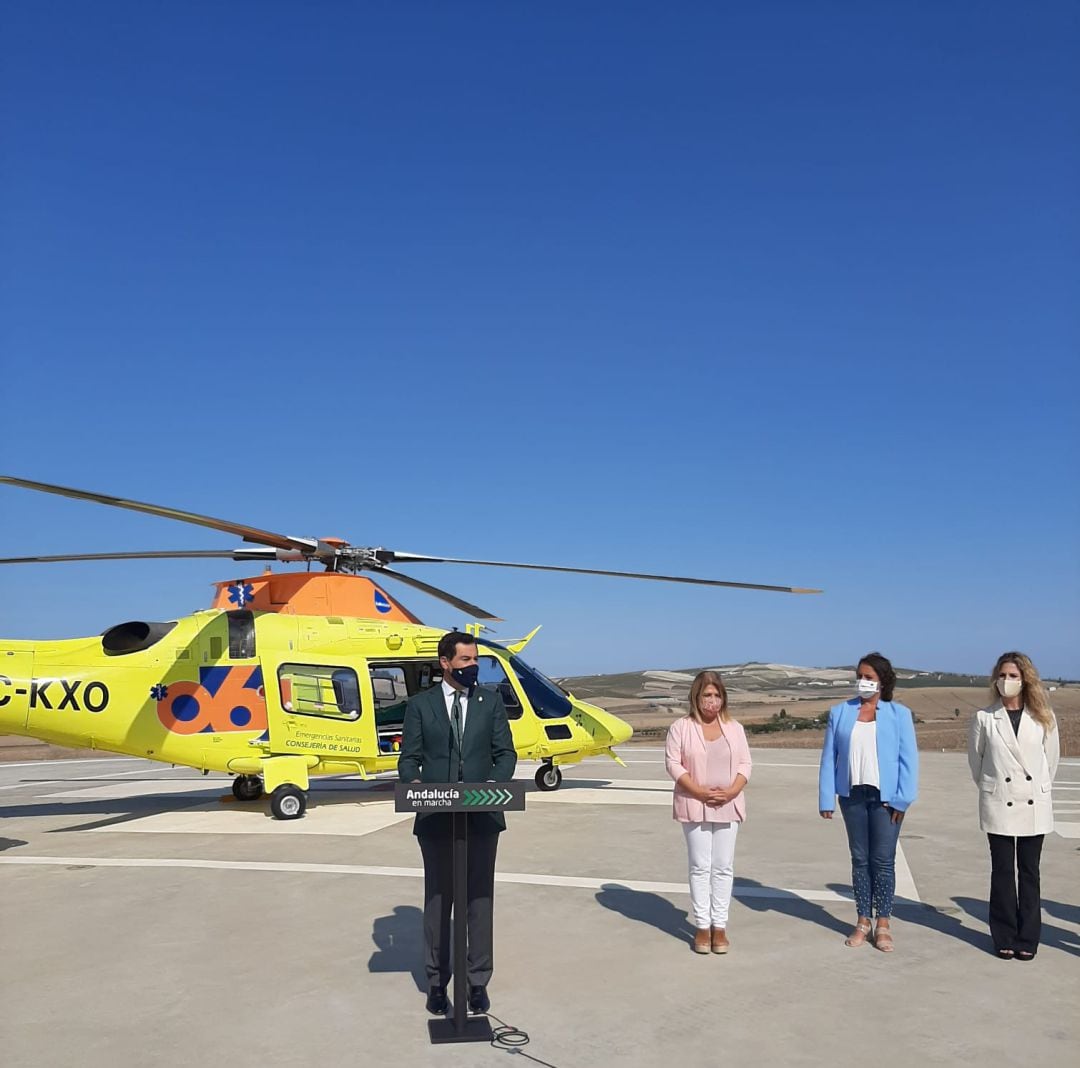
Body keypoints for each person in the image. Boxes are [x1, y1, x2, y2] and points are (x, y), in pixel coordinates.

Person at [398, 631, 517, 1015]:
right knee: (438, 900)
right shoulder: (420, 706)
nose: (473, 666)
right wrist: (414, 782)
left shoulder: (490, 702)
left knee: (479, 900)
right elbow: (408, 759)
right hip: (436, 817)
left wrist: (492, 787)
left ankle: (478, 981)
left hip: (482, 817)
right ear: (445, 663)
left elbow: (506, 754)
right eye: (465, 660)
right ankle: (437, 982)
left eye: (475, 660)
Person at [819, 652, 918, 952]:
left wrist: (902, 800)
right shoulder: (840, 712)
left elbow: (908, 761)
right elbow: (828, 758)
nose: (863, 682)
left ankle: (884, 922)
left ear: (883, 681)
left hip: (885, 799)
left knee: (883, 861)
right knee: (860, 859)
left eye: (870, 677)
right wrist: (827, 797)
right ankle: (863, 920)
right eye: (860, 676)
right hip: (852, 796)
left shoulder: (899, 715)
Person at [967, 651, 1059, 960]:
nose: (1007, 681)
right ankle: (1004, 935)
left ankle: (1028, 938)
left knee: (1030, 872)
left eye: (1014, 676)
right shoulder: (984, 718)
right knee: (1003, 872)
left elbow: (1051, 762)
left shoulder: (1043, 717)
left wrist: (1039, 789)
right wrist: (991, 789)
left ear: (1026, 680)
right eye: (1003, 675)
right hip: (999, 803)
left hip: (1034, 804)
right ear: (995, 679)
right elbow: (976, 764)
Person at [665, 670, 752, 954]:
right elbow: (673, 764)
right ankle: (702, 926)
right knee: (700, 866)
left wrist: (732, 791)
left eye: (716, 695)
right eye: (706, 695)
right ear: (696, 697)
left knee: (724, 866)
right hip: (694, 803)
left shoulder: (735, 728)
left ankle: (720, 926)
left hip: (729, 803)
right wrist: (699, 791)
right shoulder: (681, 727)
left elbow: (745, 765)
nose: (712, 701)